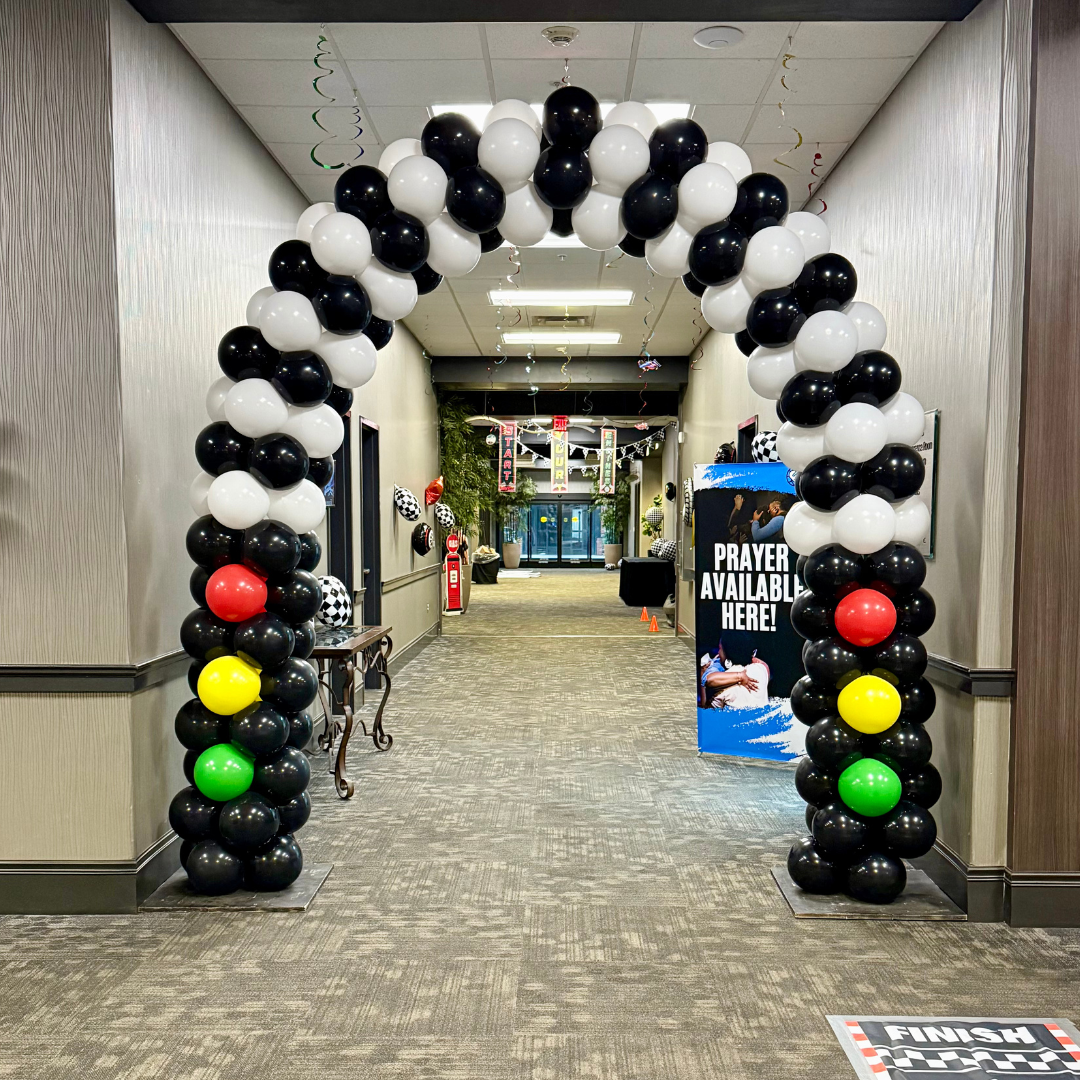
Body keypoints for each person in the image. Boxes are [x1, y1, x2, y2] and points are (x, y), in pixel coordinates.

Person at [699, 642, 771, 710]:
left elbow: (706, 712)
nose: (718, 653)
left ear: (727, 655)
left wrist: (703, 673)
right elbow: (764, 665)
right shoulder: (761, 669)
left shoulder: (722, 690)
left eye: (720, 649)